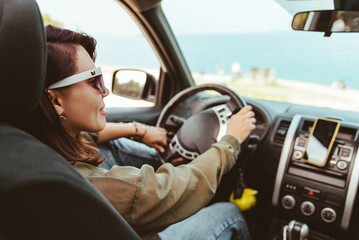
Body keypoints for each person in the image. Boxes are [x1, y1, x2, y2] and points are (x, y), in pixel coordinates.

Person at [16, 25, 256, 240]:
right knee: (229, 213)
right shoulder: (97, 187)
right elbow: (176, 189)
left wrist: (137, 130)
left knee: (111, 148)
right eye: (94, 81)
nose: (106, 90)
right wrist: (230, 141)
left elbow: (90, 137)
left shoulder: (26, 144)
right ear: (56, 100)